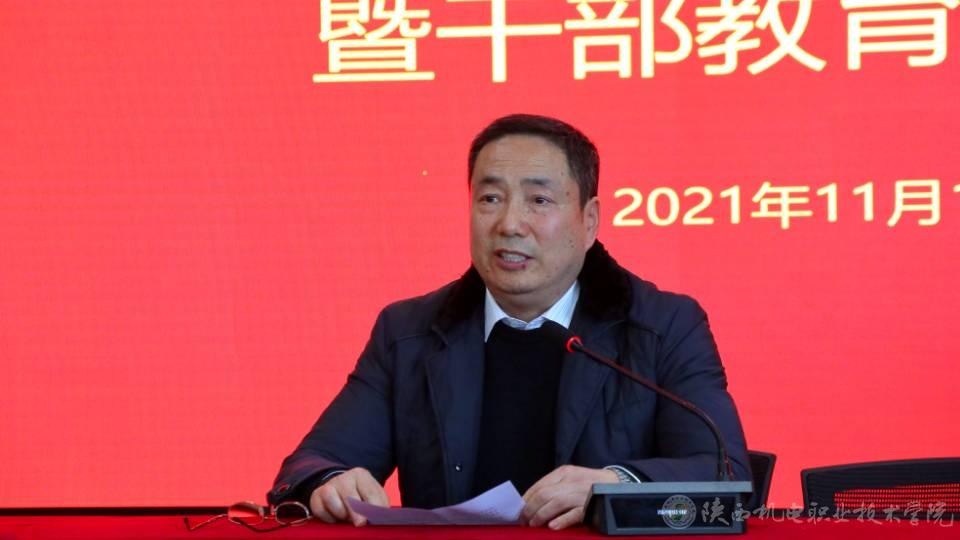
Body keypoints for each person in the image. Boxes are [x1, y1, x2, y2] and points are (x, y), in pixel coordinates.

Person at [267, 114, 750, 530]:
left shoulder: (664, 326)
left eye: (539, 200)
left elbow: (724, 474)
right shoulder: (410, 332)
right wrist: (332, 482)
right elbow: (308, 464)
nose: (509, 224)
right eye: (490, 199)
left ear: (589, 221)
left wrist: (614, 485)